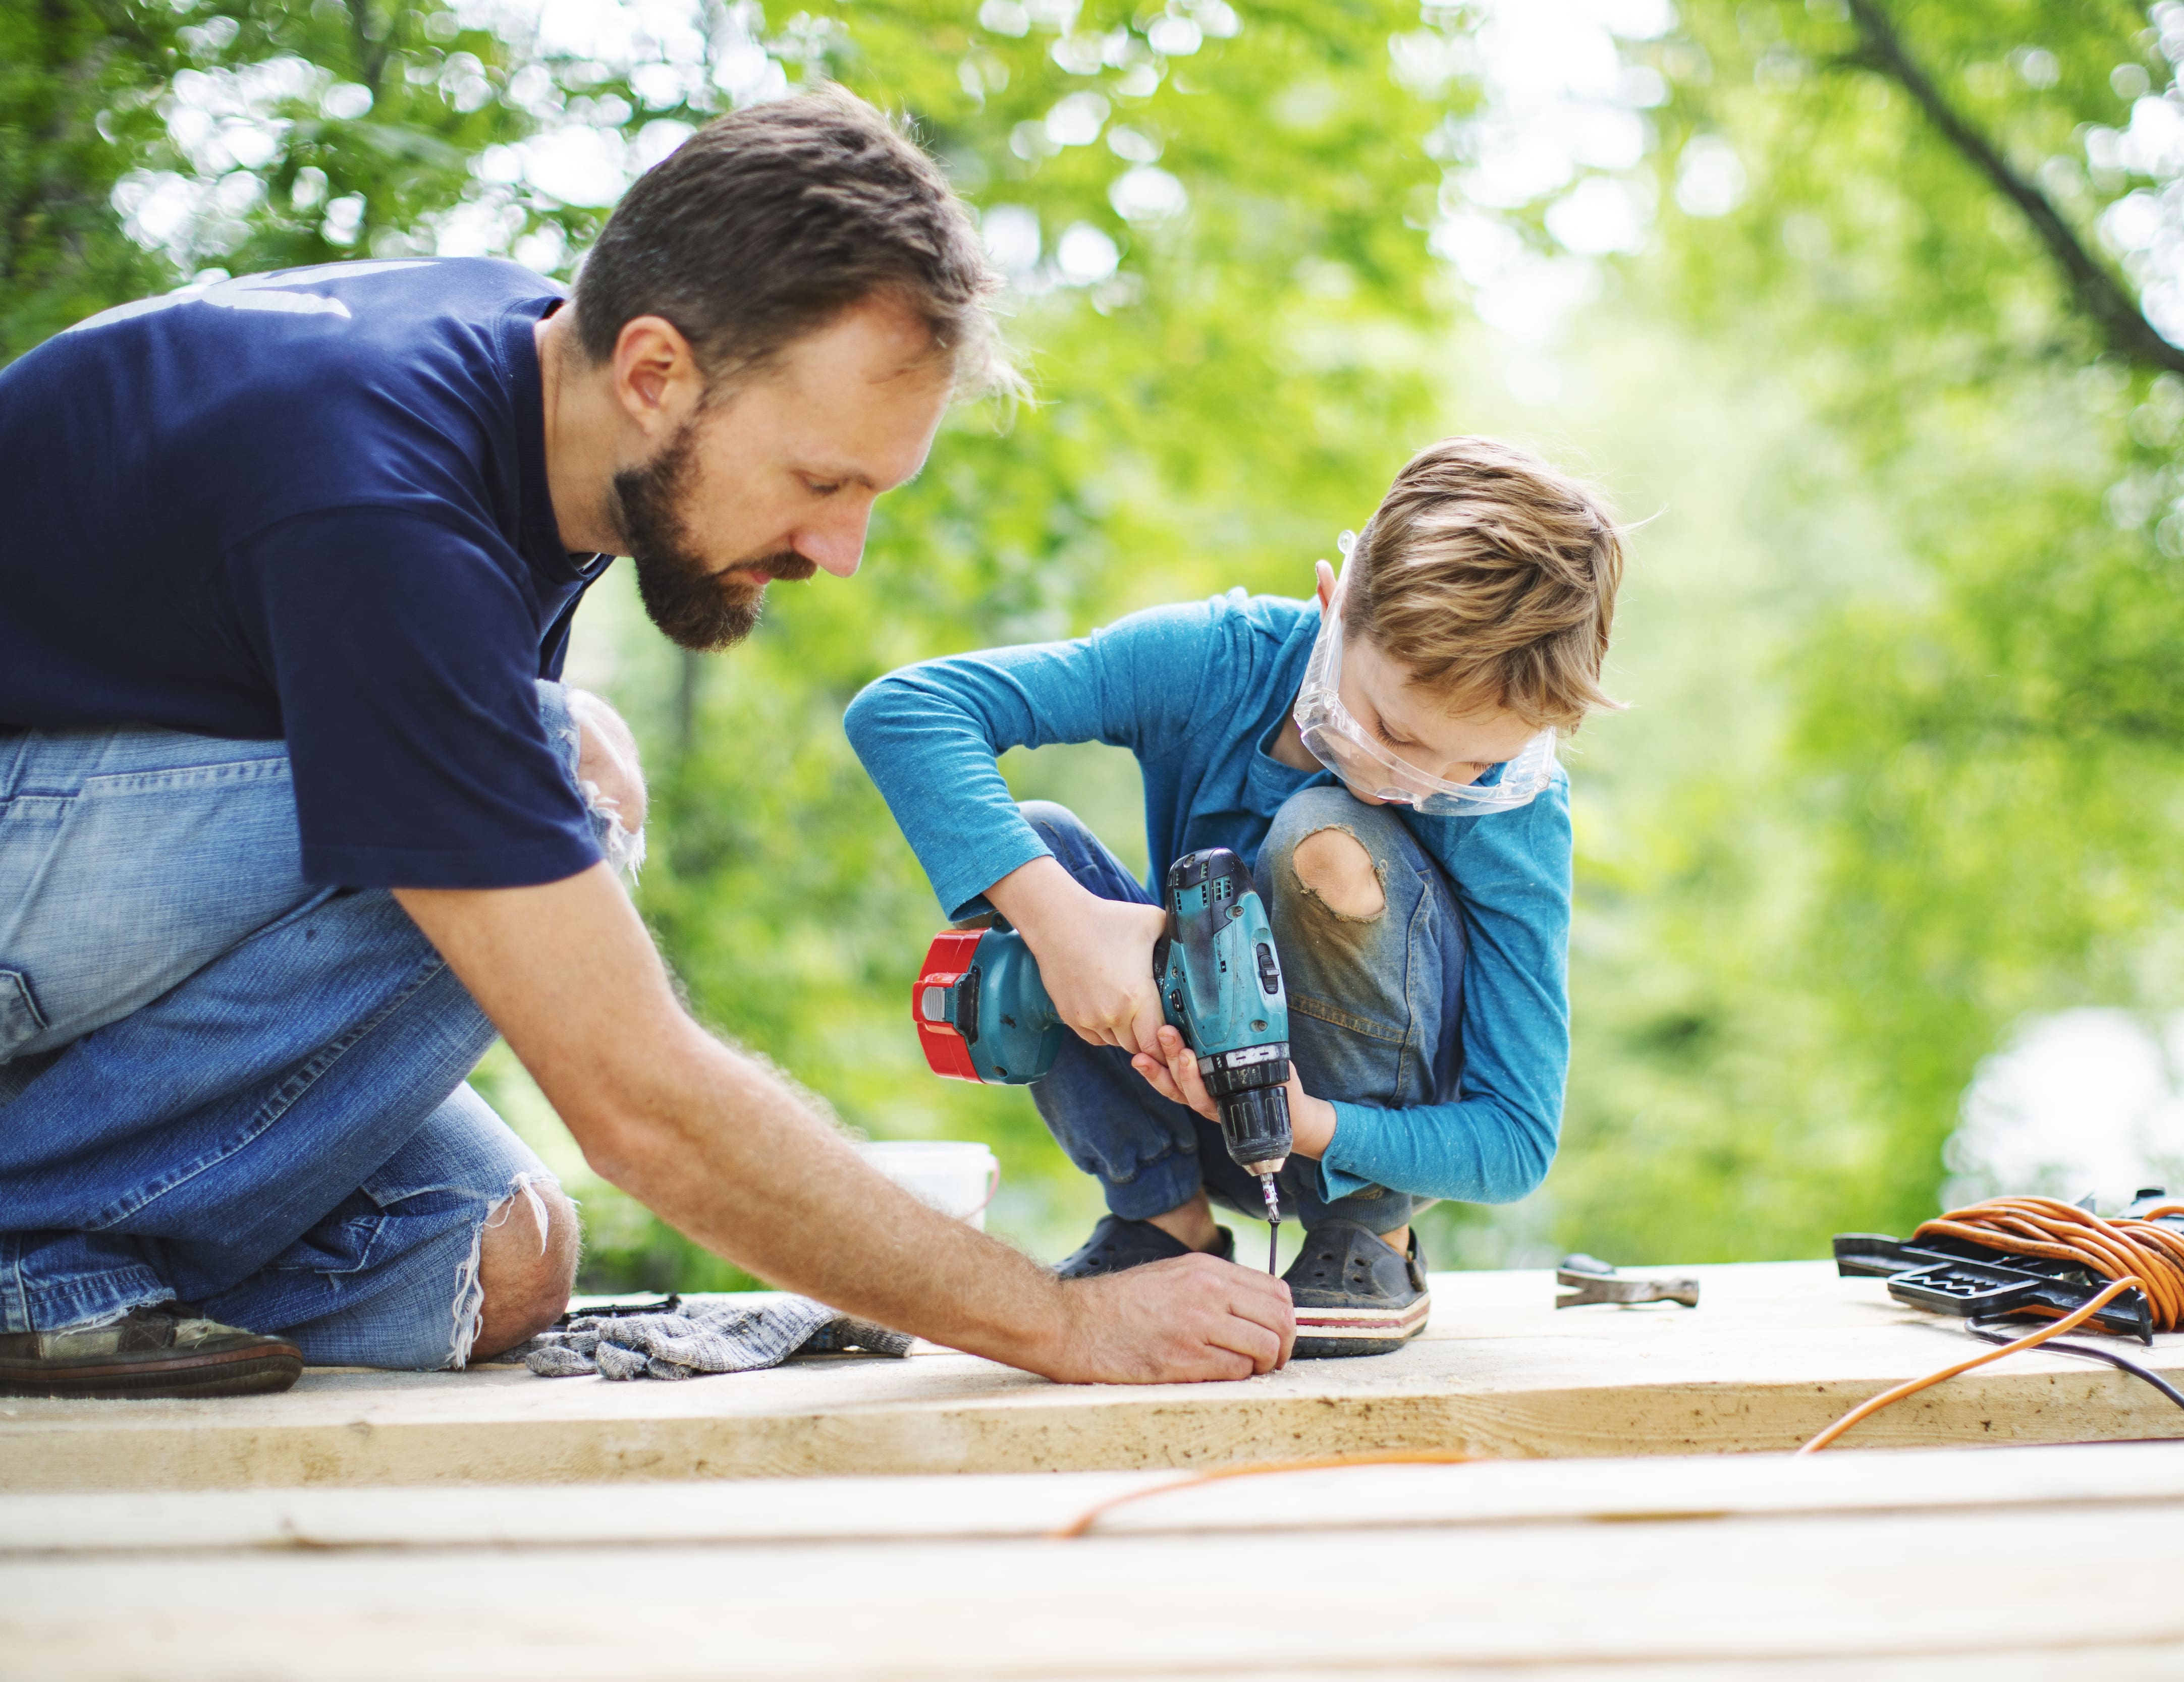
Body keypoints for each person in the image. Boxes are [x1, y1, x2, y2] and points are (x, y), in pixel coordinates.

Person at [0, 88, 1294, 1401]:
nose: (838, 553)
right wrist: (1062, 1324)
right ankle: (31, 1256)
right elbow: (632, 1097)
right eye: (822, 482)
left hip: (76, 914)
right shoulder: (377, 504)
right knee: (559, 771)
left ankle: (81, 1235)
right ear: (656, 372)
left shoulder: (537, 386)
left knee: (501, 1260)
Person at [845, 438, 1624, 1355]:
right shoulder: (1216, 664)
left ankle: (1368, 1238)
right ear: (1336, 606)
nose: (1414, 786)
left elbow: (1515, 1140)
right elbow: (903, 712)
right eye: (1392, 731)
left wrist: (1306, 1122)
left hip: (1358, 1142)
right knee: (1032, 848)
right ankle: (1161, 1224)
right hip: (1178, 1089)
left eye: (1471, 765)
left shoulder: (1518, 812)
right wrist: (1065, 927)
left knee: (1328, 833)